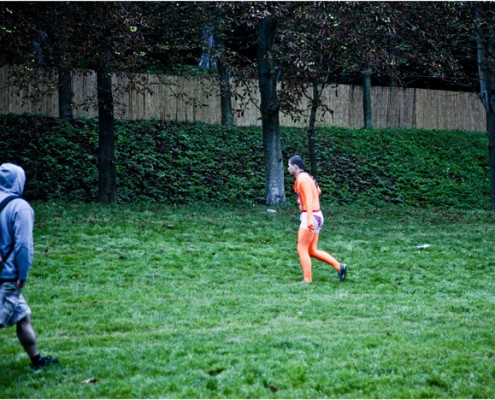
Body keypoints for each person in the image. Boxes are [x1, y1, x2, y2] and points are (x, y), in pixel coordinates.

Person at [0, 163, 58, 370]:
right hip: (7, 276)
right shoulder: (19, 207)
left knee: (23, 315)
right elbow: (23, 245)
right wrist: (22, 274)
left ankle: (37, 360)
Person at [288, 155, 347, 283]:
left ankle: (307, 279)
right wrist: (302, 199)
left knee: (301, 248)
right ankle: (339, 266)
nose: (288, 168)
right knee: (311, 250)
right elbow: (318, 191)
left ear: (295, 167)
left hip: (311, 216)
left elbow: (309, 198)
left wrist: (308, 219)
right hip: (318, 215)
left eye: (289, 166)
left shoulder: (302, 180)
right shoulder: (309, 177)